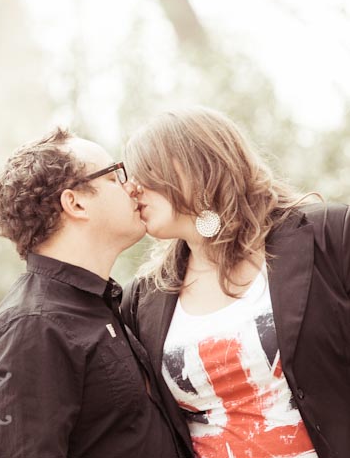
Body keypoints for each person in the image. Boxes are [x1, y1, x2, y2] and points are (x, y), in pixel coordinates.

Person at [122, 106, 350, 458]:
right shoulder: (142, 298)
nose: (133, 189)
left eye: (145, 171)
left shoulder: (330, 236)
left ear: (198, 164)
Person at [0, 128, 187, 458]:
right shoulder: (31, 328)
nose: (131, 186)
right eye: (115, 176)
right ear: (75, 203)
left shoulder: (103, 304)